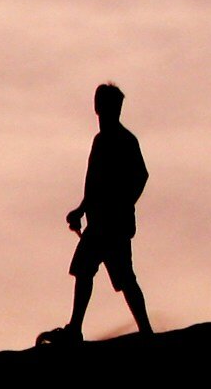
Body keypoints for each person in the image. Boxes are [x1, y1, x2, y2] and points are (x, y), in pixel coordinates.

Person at [44, 82, 155, 347]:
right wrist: (81, 210)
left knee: (122, 277)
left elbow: (141, 175)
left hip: (112, 224)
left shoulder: (125, 140)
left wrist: (123, 203)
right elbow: (94, 185)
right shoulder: (101, 141)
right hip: (100, 223)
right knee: (86, 271)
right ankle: (77, 329)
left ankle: (146, 332)